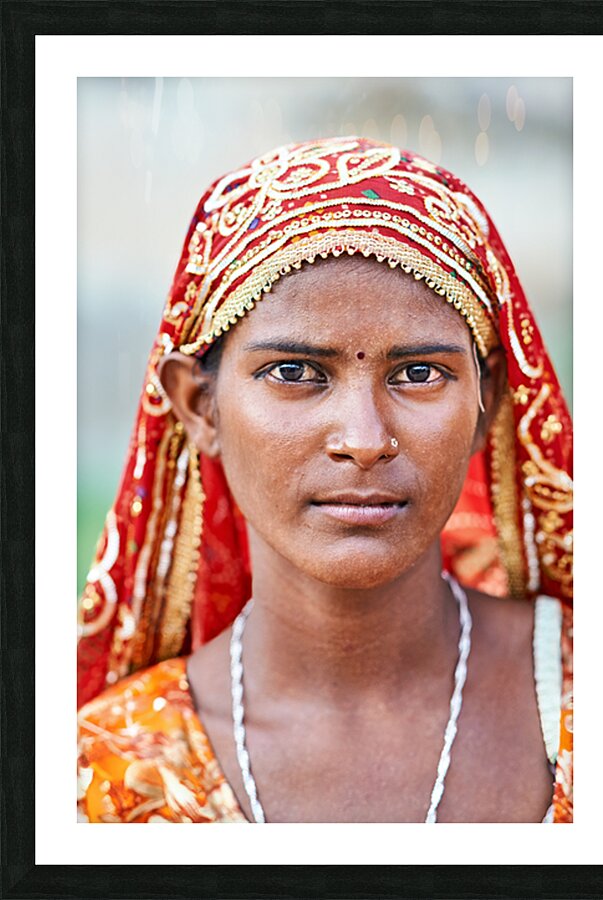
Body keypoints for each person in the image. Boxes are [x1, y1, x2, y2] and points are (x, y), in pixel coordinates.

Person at [77, 136, 573, 823]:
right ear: (199, 407)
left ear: (487, 405)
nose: (365, 440)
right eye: (294, 372)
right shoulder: (102, 780)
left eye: (420, 373)